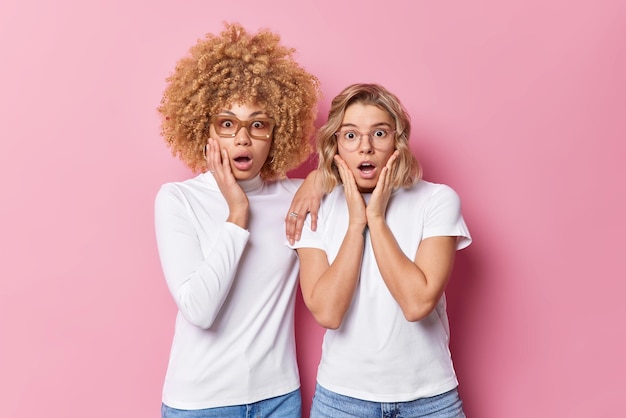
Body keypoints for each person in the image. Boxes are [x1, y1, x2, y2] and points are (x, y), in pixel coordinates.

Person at [154, 22, 321, 417]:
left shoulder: (294, 197)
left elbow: (348, 171)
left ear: (277, 133)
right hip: (200, 404)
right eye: (227, 124)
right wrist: (238, 214)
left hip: (280, 399)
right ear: (204, 130)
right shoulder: (178, 199)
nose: (242, 139)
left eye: (258, 124)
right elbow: (199, 310)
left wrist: (317, 177)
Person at [289, 83, 472, 417]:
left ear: (396, 142)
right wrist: (356, 223)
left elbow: (417, 303)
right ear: (336, 145)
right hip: (341, 401)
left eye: (379, 133)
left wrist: (376, 217)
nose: (366, 148)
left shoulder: (436, 200)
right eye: (350, 135)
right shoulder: (316, 206)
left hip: (430, 400)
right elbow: (328, 313)